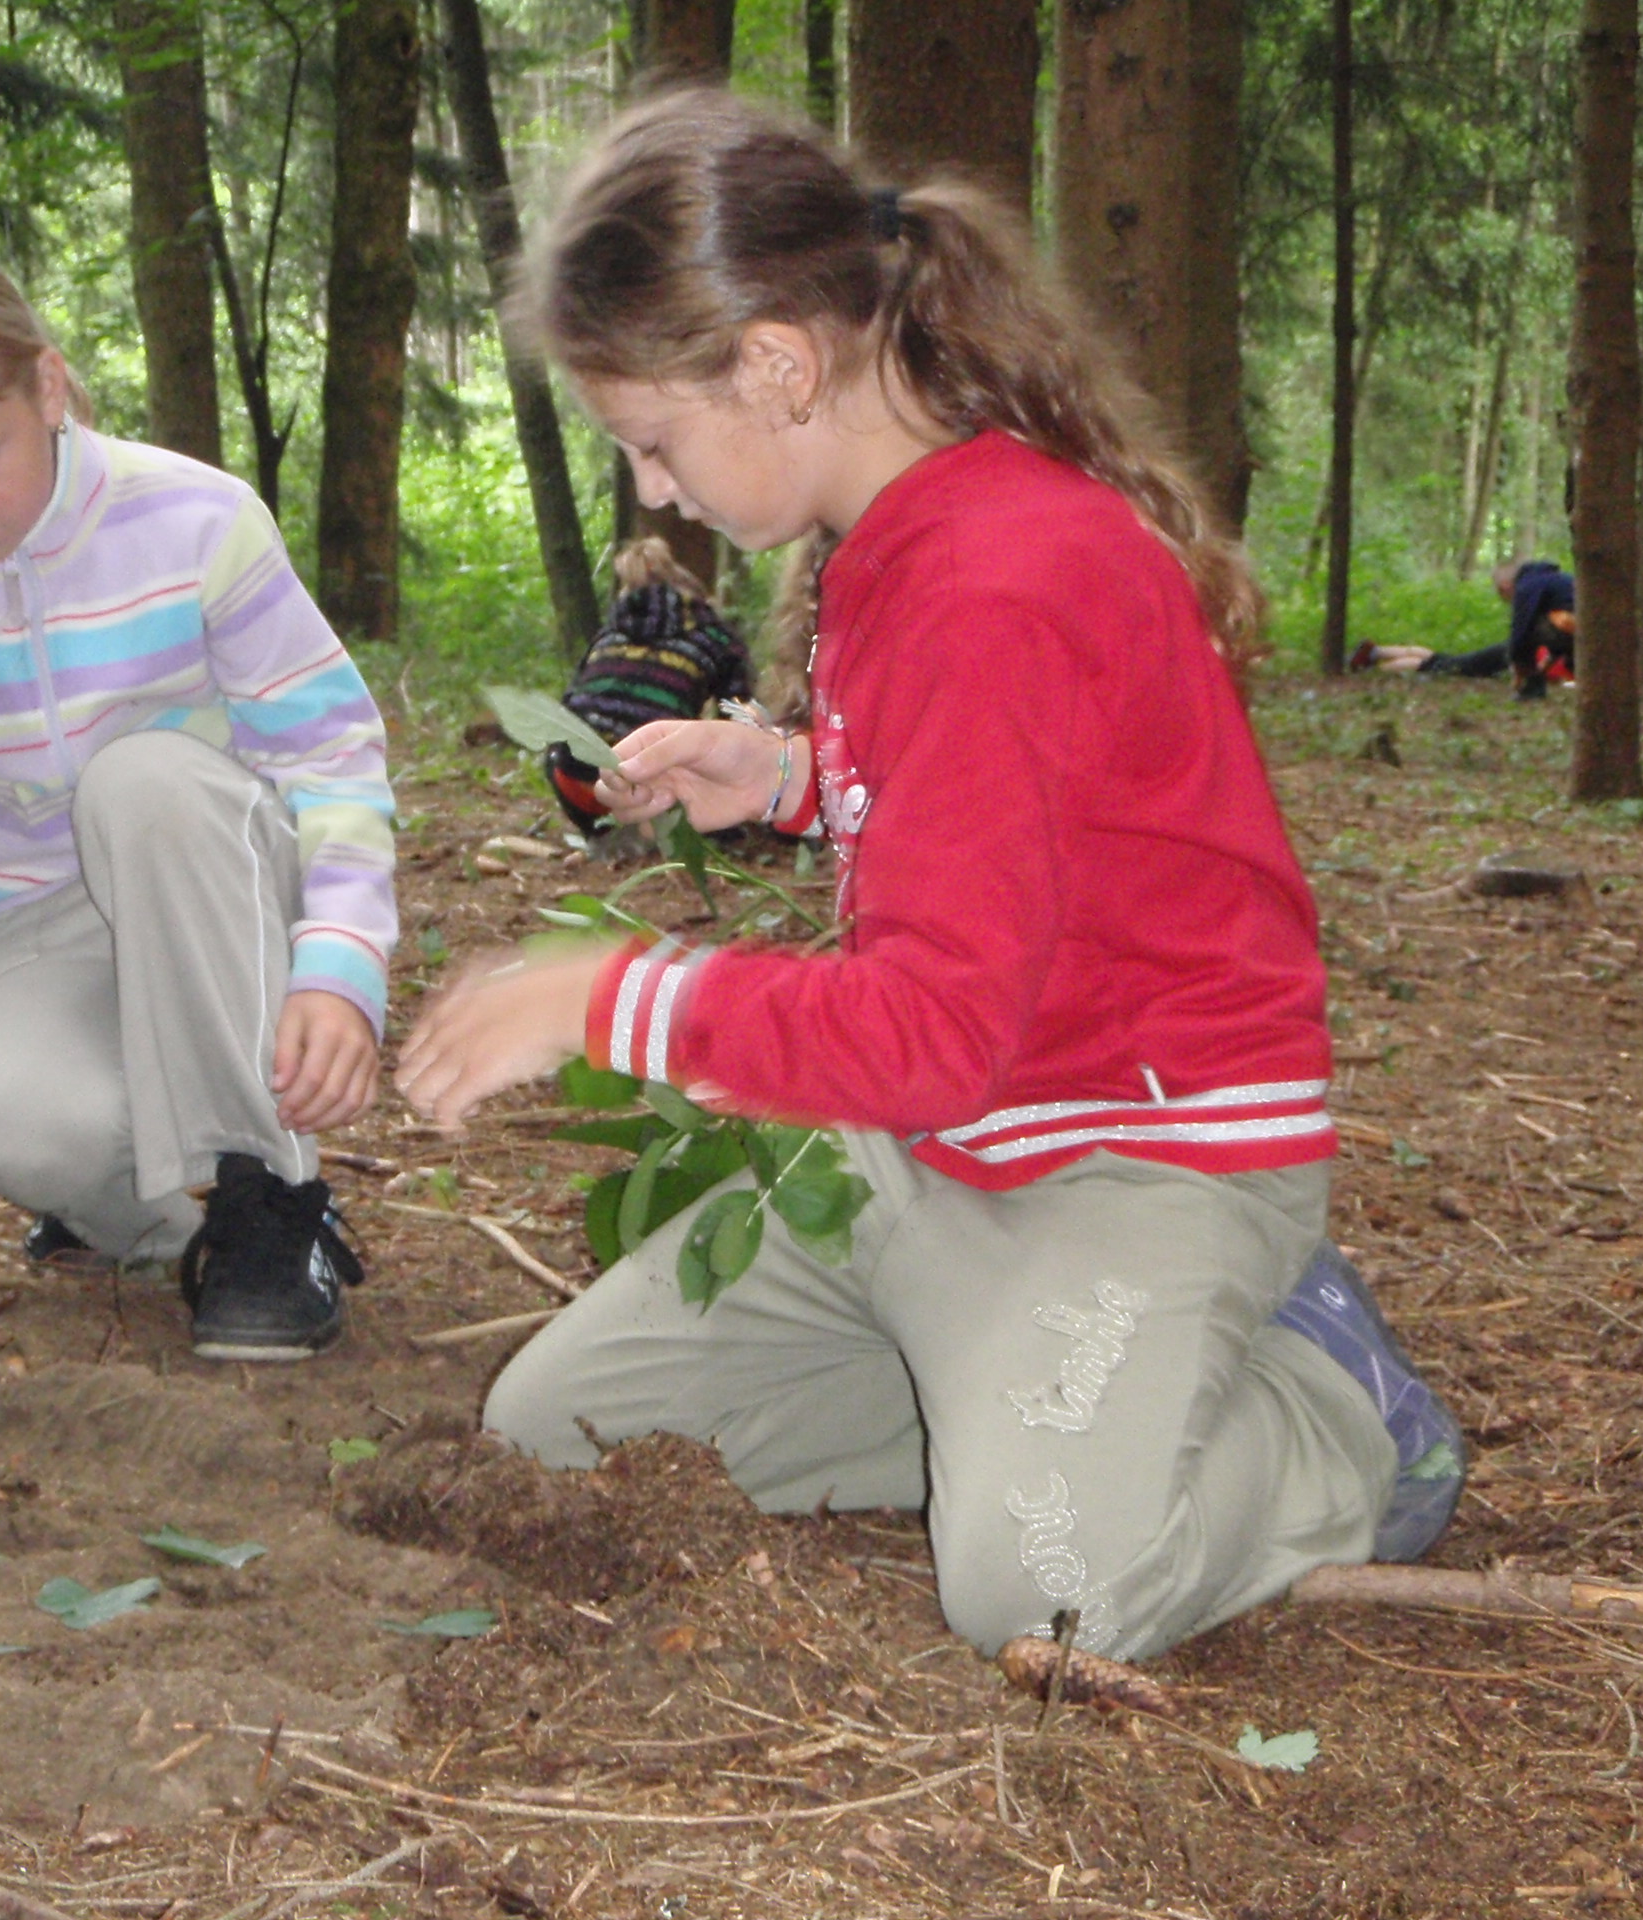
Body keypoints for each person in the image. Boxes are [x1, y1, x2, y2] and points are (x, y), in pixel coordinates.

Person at [395, 89, 1464, 1664]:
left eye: (653, 444)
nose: (656, 493)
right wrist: (786, 779)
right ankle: (1026, 1404)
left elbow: (936, 1025)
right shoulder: (896, 543)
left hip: (1134, 1156)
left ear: (776, 365)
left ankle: (1329, 1410)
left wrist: (608, 998)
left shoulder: (999, 577)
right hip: (932, 1158)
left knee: (1049, 1590)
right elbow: (998, 819)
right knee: (560, 1433)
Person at [0, 217, 396, 1362]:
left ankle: (267, 1201)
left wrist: (341, 964)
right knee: (21, 1130)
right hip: (33, 914)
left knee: (141, 778)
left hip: (216, 881)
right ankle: (157, 1218)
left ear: (48, 389)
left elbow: (330, 756)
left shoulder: (197, 522)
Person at [544, 537, 756, 834]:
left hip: (575, 784)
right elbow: (738, 717)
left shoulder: (608, 635)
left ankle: (603, 834)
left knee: (565, 746)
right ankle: (688, 830)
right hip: (649, 790)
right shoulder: (715, 636)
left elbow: (568, 706)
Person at [1351, 558, 1576, 697]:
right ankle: (1377, 662)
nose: (1508, 602)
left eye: (1503, 595)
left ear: (1506, 586)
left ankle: (1377, 654)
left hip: (1551, 639)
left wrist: (1522, 665)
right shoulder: (1551, 580)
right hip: (1556, 638)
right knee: (1449, 664)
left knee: (1449, 662)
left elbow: (1522, 631)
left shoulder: (1530, 586)